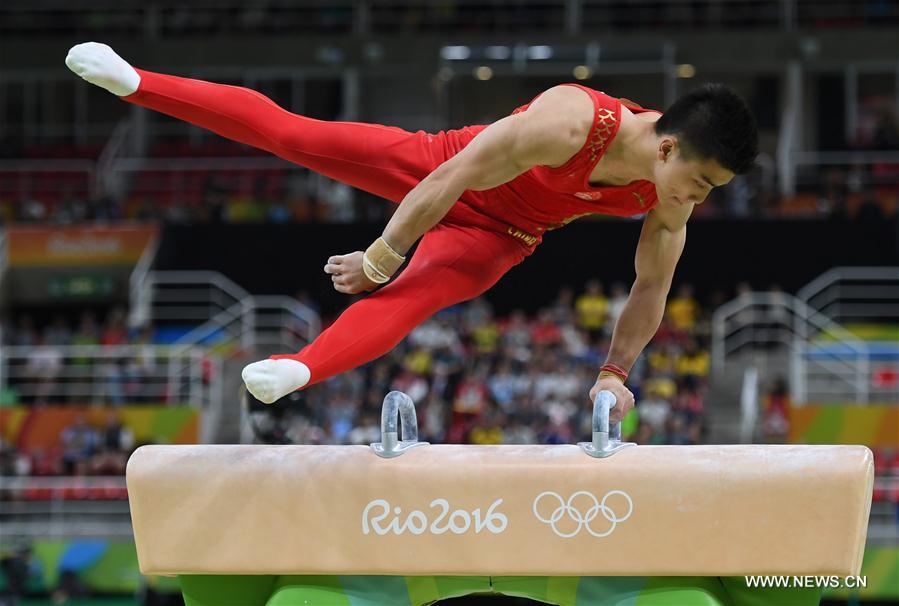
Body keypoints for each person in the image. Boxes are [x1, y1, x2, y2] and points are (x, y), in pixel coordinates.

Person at [65, 42, 758, 423]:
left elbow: (650, 283)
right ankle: (137, 82)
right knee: (297, 135)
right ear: (668, 149)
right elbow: (452, 178)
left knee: (418, 295)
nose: (699, 200)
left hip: (504, 235)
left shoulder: (668, 196)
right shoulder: (569, 121)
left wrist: (614, 374)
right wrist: (378, 254)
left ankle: (301, 368)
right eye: (701, 183)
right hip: (442, 167)